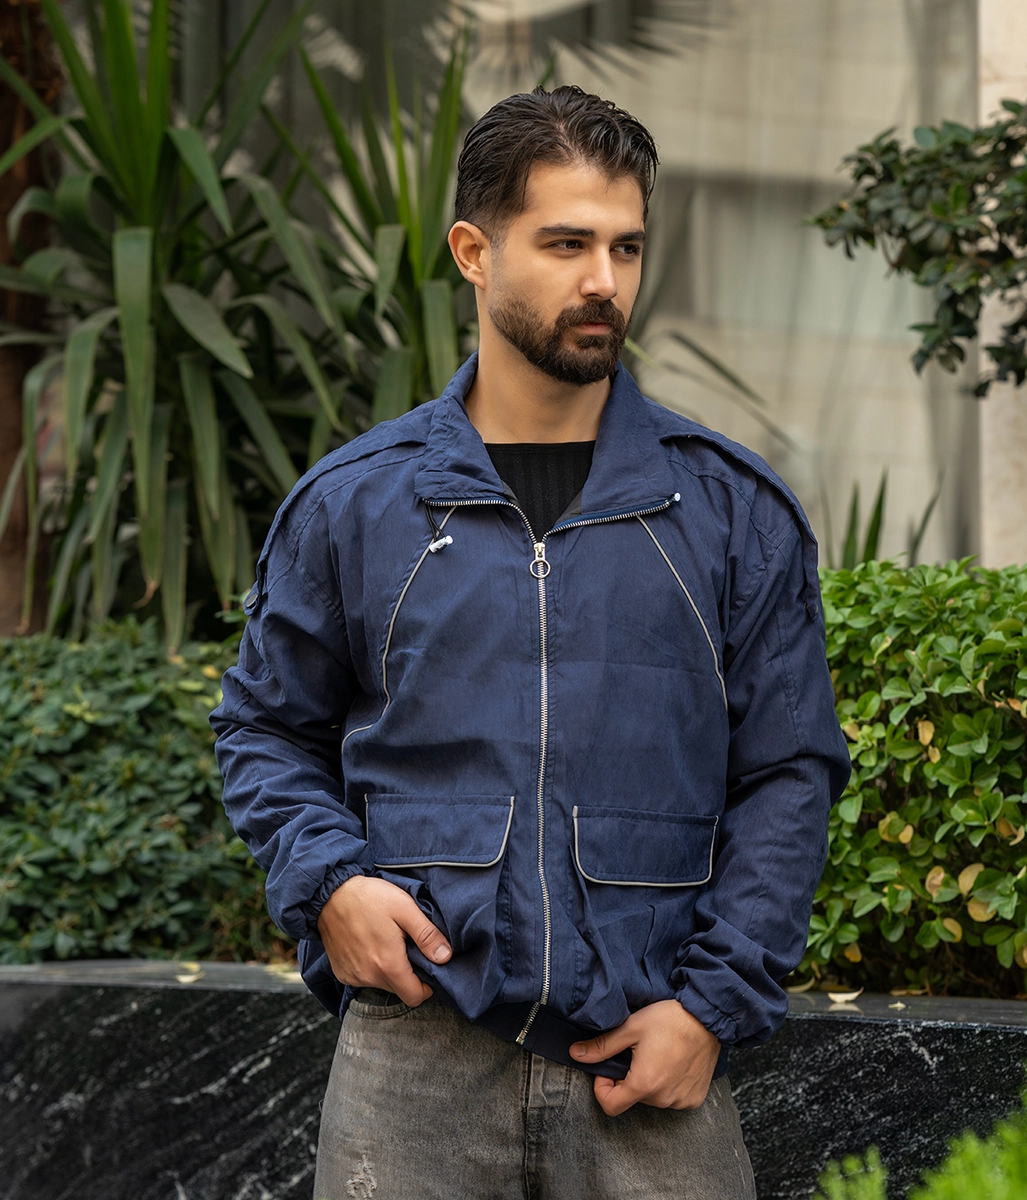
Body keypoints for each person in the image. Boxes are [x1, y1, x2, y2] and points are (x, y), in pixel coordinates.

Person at [211, 84, 850, 1200]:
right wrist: (330, 885)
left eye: (625, 247)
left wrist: (711, 1007)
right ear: (474, 251)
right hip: (413, 1053)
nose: (605, 280)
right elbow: (265, 728)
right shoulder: (357, 506)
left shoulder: (728, 511)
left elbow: (790, 771)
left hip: (648, 1059)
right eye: (566, 244)